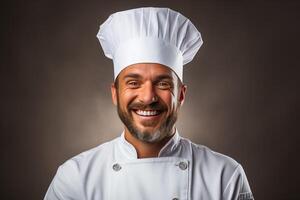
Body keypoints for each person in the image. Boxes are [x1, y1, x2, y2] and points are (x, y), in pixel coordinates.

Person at [44, 7, 254, 200]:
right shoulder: (75, 179)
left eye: (162, 83)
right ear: (115, 94)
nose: (147, 97)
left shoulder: (225, 177)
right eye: (133, 83)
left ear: (180, 95)